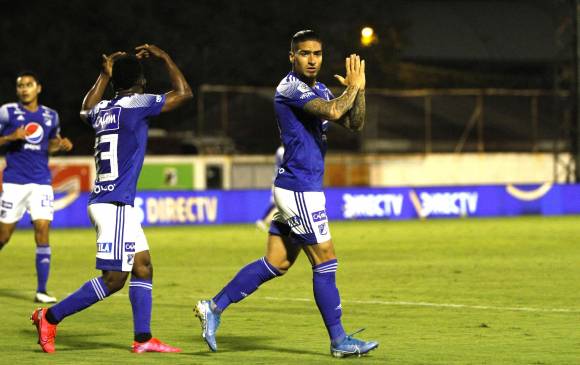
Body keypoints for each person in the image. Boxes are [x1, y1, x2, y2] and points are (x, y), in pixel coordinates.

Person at [195, 30, 379, 358]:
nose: (312, 59)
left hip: (296, 188)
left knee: (277, 262)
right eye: (305, 53)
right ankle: (339, 341)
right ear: (292, 57)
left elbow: (354, 123)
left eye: (318, 54)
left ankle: (213, 307)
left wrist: (359, 91)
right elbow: (335, 112)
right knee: (325, 260)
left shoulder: (320, 89)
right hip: (300, 190)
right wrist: (351, 88)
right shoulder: (290, 88)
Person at [31, 44, 193, 354]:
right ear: (141, 83)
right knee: (115, 279)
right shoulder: (139, 104)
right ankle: (49, 317)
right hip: (115, 203)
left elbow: (83, 109)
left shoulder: (103, 110)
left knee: (143, 265)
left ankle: (143, 339)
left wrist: (103, 77)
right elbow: (183, 93)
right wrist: (166, 58)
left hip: (110, 202)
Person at [0, 71, 73, 303]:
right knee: (3, 237)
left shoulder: (51, 116)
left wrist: (59, 144)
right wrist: (12, 137)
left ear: (38, 88)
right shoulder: (7, 112)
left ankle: (42, 290)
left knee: (42, 232)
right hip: (14, 182)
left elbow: (48, 146)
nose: (24, 89)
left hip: (41, 182)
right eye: (20, 85)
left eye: (29, 85)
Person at [255, 145, 284, 231]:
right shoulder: (281, 150)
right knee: (274, 202)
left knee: (280, 203)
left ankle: (265, 221)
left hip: (284, 180)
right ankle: (262, 221)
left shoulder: (286, 150)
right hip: (279, 181)